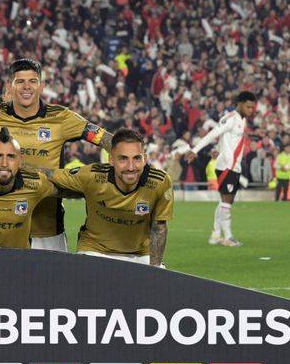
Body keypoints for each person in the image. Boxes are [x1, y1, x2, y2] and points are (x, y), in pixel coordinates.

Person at [0, 58, 111, 252]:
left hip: (47, 233)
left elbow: (104, 138)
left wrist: (127, 158)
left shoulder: (62, 117)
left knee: (51, 283)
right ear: (10, 85)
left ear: (41, 85)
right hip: (1, 229)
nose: (27, 87)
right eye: (20, 81)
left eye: (32, 81)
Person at [47, 129, 173, 267]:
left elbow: (159, 228)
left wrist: (154, 269)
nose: (131, 167)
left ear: (145, 159)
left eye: (137, 158)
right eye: (123, 159)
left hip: (140, 253)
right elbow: (49, 175)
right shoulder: (92, 176)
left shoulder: (160, 181)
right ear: (111, 160)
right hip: (95, 250)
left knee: (158, 286)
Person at [186, 91, 257, 246]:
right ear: (240, 104)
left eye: (252, 108)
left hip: (234, 166)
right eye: (248, 107)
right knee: (227, 200)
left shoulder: (242, 120)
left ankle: (215, 235)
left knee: (224, 201)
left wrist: (218, 147)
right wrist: (195, 150)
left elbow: (226, 139)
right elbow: (213, 133)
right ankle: (228, 236)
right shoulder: (230, 119)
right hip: (226, 165)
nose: (251, 110)